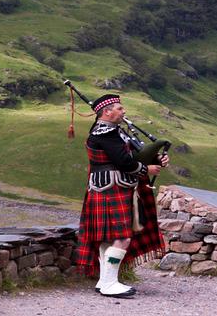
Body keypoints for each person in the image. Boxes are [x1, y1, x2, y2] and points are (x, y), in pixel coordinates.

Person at [75, 94, 168, 298]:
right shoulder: (106, 133)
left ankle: (104, 281)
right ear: (107, 112)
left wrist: (157, 161)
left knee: (109, 239)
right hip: (112, 188)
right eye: (119, 108)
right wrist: (146, 170)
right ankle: (110, 283)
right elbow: (125, 162)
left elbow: (132, 156)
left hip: (109, 187)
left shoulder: (109, 130)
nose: (123, 111)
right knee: (122, 237)